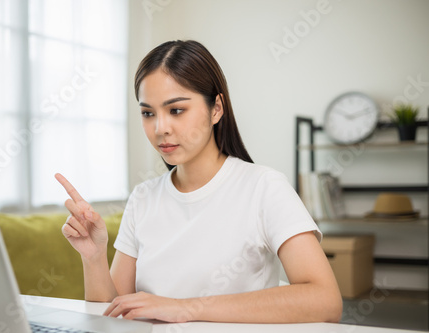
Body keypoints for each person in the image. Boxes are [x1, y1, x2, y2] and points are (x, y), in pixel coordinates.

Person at [55, 40, 342, 324]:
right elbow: (115, 314)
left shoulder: (264, 187)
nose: (160, 128)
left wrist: (184, 308)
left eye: (176, 110)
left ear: (216, 108)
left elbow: (325, 300)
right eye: (148, 113)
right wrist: (93, 259)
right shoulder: (143, 197)